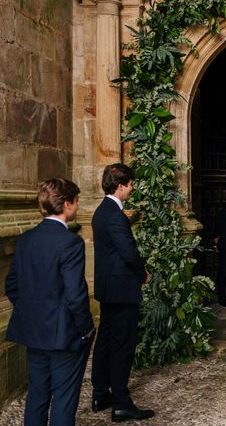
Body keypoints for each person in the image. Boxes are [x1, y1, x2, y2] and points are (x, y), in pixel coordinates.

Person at [5, 179, 94, 425]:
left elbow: (12, 285)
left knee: (37, 393)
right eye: (76, 201)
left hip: (33, 330)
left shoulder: (26, 239)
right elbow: (76, 295)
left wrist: (33, 311)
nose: (77, 206)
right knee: (64, 398)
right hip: (63, 333)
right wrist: (86, 328)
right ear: (67, 204)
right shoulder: (70, 242)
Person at [91, 163, 154, 422]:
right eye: (130, 184)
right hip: (121, 290)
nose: (132, 188)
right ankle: (120, 402)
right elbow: (128, 251)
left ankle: (99, 392)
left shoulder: (100, 211)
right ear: (120, 186)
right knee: (122, 346)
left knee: (105, 341)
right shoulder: (114, 214)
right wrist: (143, 274)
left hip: (109, 289)